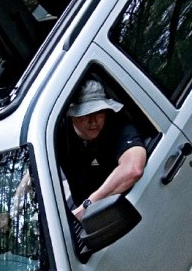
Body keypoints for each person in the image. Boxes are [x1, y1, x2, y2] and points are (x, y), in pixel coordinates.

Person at [56, 75, 150, 220]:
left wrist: (88, 205)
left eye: (99, 112)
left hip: (118, 208)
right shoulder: (58, 133)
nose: (93, 121)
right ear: (72, 114)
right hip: (82, 214)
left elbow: (133, 168)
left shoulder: (117, 127)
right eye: (86, 114)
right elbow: (38, 163)